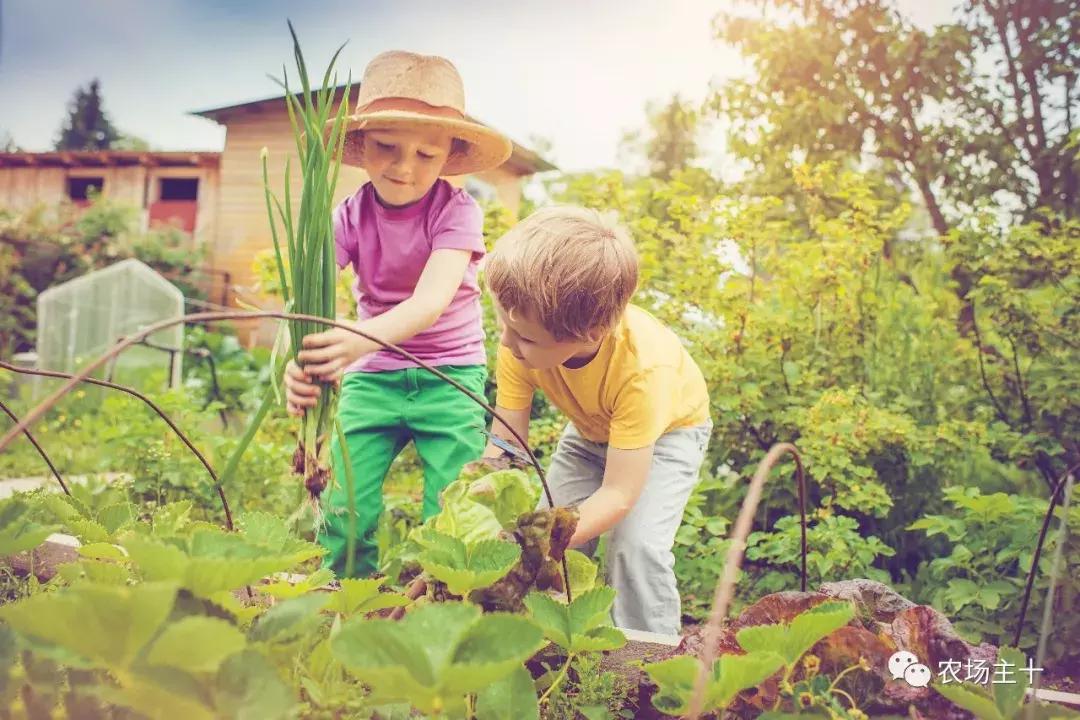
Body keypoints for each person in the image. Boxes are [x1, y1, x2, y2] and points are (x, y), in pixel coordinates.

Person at [284, 49, 512, 577]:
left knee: (451, 513)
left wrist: (354, 339)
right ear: (362, 142)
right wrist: (300, 361)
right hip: (373, 378)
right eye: (386, 147)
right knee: (343, 508)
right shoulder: (348, 217)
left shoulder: (457, 212)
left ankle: (437, 600)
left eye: (426, 154)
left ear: (449, 154)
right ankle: (344, 602)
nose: (404, 167)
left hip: (449, 376)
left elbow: (429, 303)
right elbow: (307, 303)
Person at [482, 206, 712, 634]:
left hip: (668, 435)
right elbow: (507, 446)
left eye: (525, 337)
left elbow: (619, 494)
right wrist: (480, 495)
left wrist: (538, 540)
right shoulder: (517, 340)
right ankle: (556, 638)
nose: (507, 343)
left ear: (590, 333)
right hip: (590, 431)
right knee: (555, 534)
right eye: (503, 326)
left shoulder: (643, 371)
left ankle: (651, 652)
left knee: (635, 547)